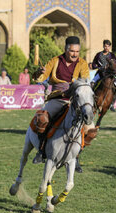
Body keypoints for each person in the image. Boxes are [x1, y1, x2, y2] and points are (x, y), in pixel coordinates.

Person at [32, 36, 90, 173]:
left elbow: (86, 80)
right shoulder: (55, 61)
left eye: (77, 51)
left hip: (75, 100)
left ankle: (75, 157)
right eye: (72, 51)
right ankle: (41, 151)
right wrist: (39, 73)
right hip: (58, 98)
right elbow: (40, 77)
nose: (75, 54)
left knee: (89, 128)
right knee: (43, 118)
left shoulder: (82, 63)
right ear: (66, 49)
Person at [91, 39, 116, 112]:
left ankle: (112, 104)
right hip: (100, 74)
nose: (106, 47)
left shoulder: (112, 55)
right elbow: (93, 64)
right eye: (105, 46)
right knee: (91, 84)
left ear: (110, 47)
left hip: (110, 75)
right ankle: (91, 102)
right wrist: (99, 67)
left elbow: (115, 65)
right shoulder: (98, 55)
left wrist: (115, 72)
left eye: (108, 46)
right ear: (103, 46)